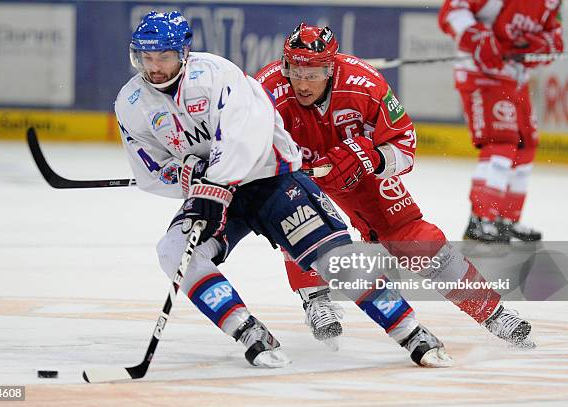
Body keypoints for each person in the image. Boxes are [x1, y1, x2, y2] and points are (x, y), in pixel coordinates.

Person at [116, 11, 452, 369]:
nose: (154, 68)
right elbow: (150, 169)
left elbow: (247, 137)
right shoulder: (131, 103)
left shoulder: (217, 75)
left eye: (163, 57)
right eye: (146, 58)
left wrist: (212, 182)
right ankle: (248, 332)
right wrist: (185, 176)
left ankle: (411, 331)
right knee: (173, 249)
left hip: (271, 178)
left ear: (183, 53)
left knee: (333, 259)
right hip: (217, 194)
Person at [254, 23, 536, 352]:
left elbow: (405, 147)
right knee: (295, 215)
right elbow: (249, 154)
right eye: (296, 70)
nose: (302, 83)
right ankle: (315, 297)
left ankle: (492, 312)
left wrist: (369, 158)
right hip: (296, 171)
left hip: (359, 172)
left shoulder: (365, 85)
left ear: (331, 69)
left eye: (313, 72)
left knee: (414, 237)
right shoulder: (265, 90)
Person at [438, 0, 563, 242]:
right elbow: (453, 10)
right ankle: (481, 218)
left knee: (526, 144)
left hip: (515, 79)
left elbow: (554, 37)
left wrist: (538, 46)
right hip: (480, 75)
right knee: (501, 142)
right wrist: (478, 39)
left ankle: (507, 219)